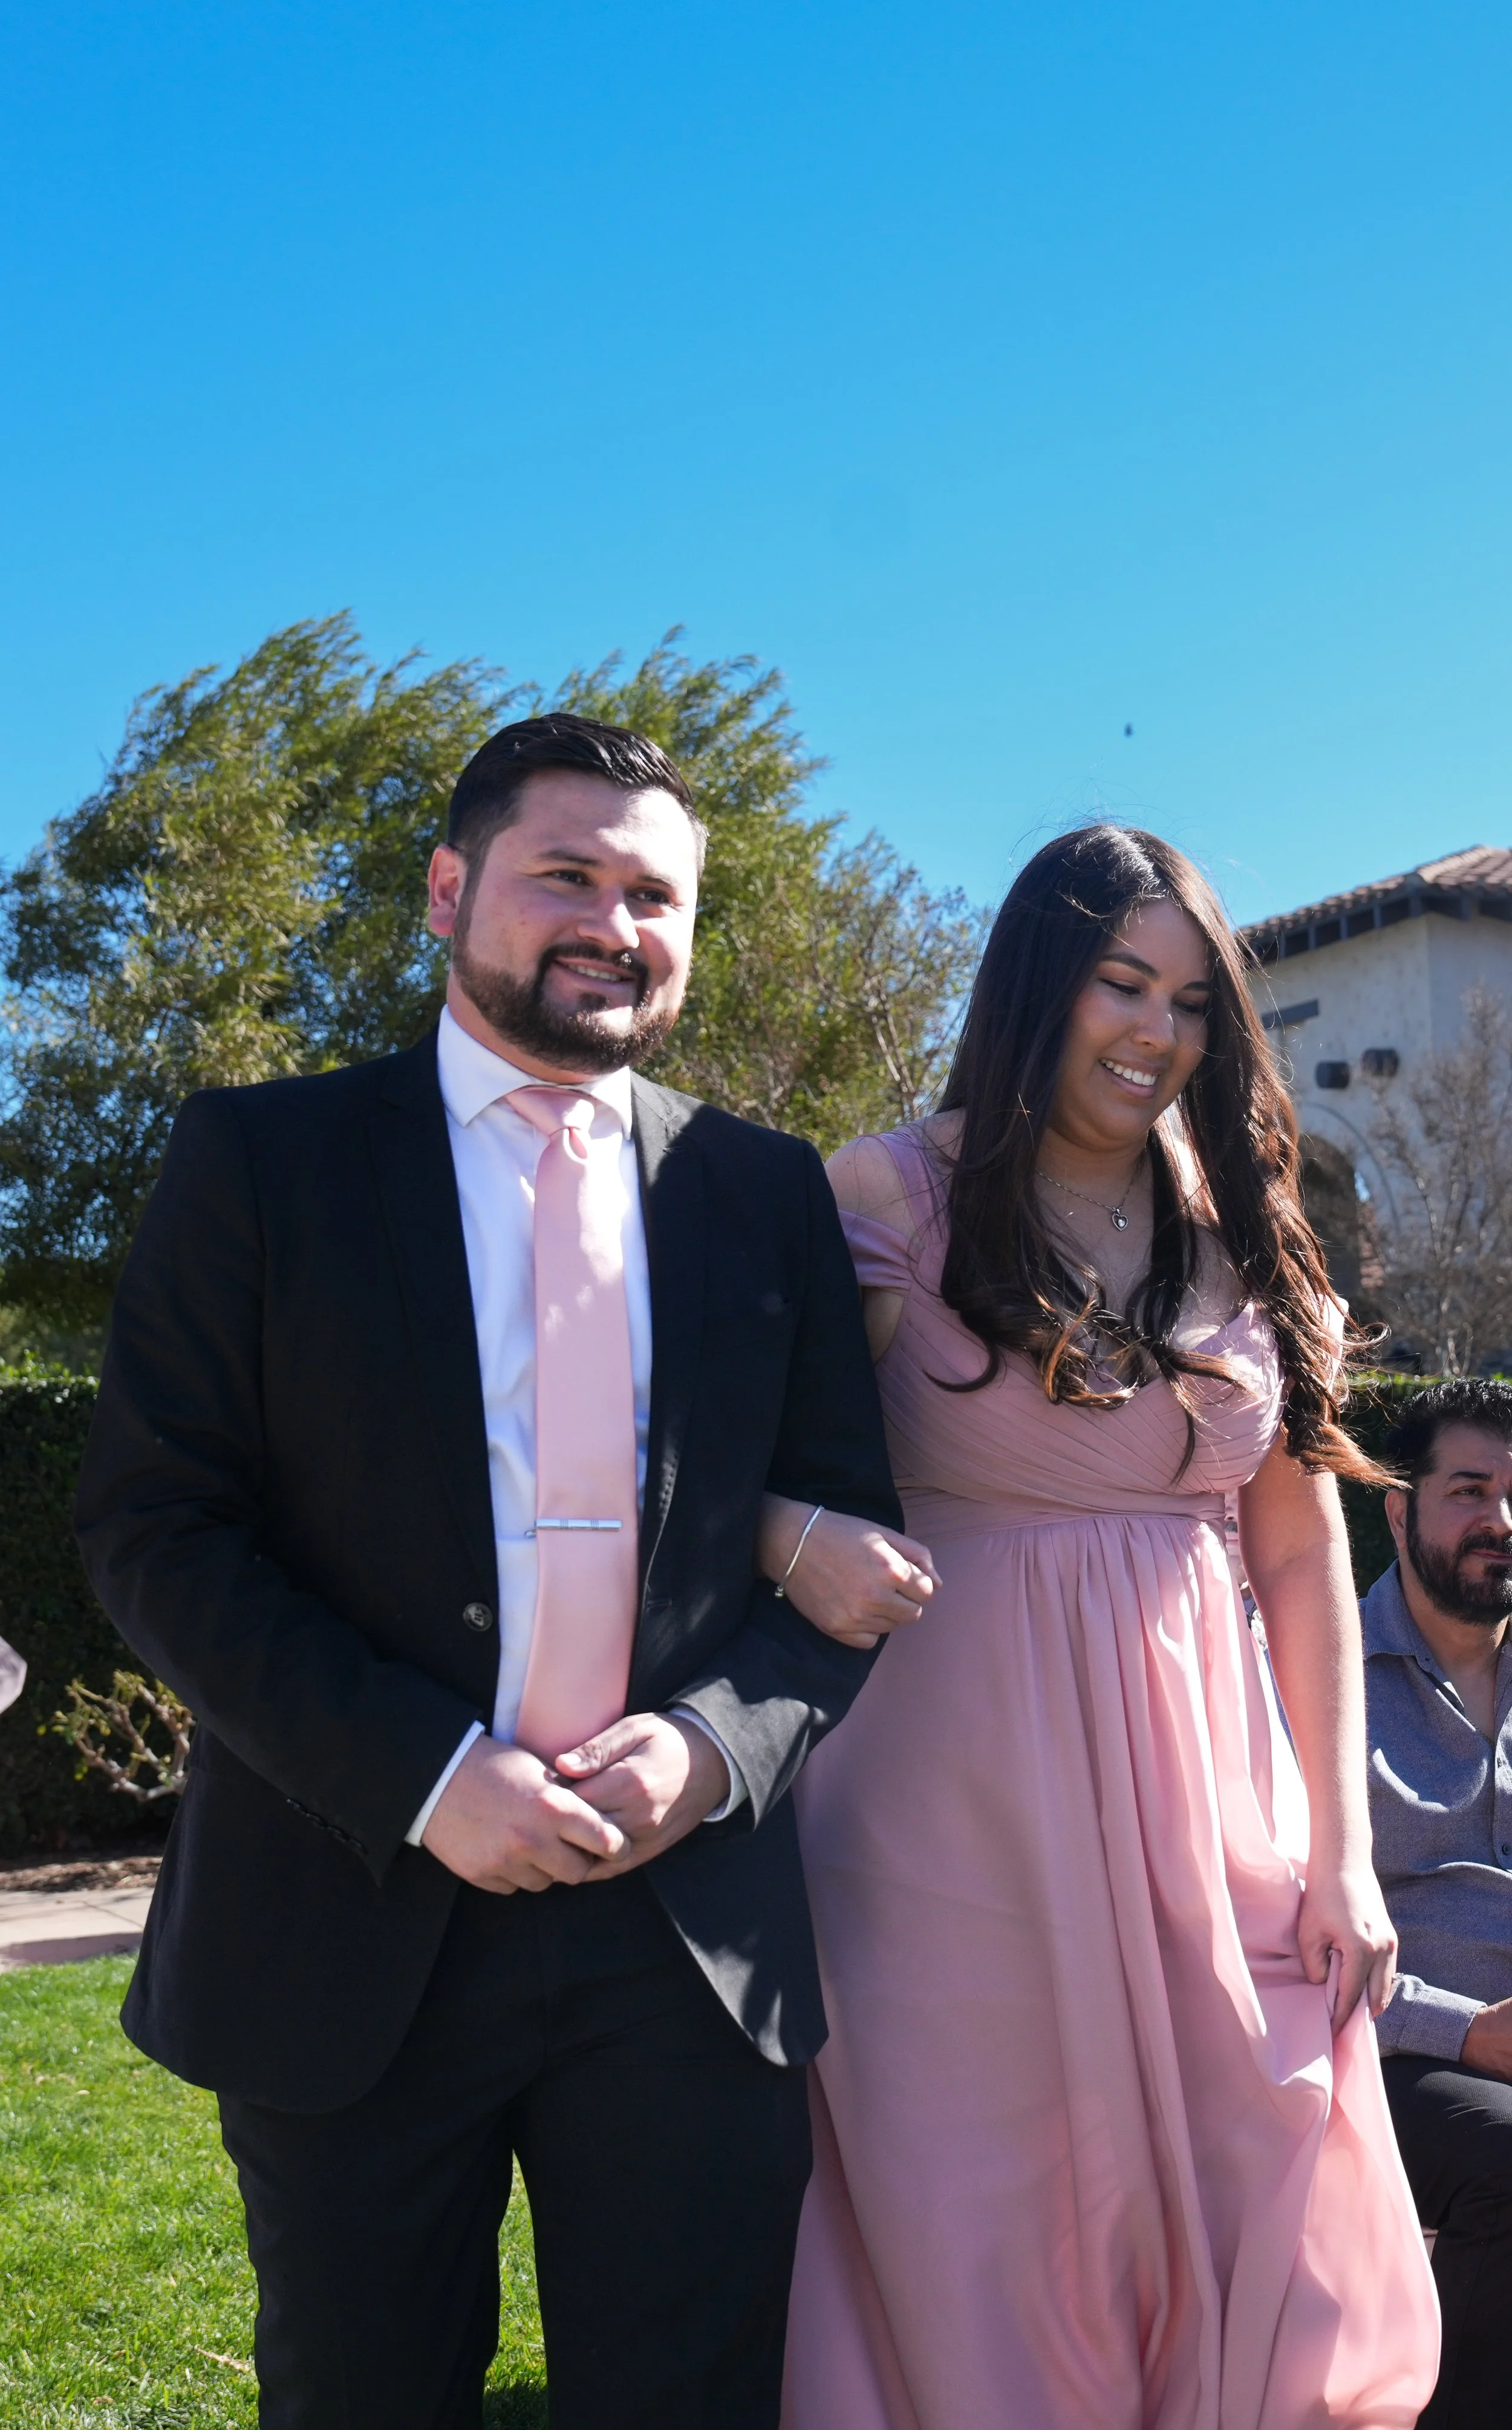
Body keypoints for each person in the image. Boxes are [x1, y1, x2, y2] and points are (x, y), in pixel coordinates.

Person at [73, 711, 905, 2430]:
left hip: (683, 1948)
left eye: (657, 895)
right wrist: (428, 1776)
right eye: (567, 874)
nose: (615, 921)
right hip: (346, 1915)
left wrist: (713, 1750)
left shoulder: (759, 1195)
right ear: (447, 890)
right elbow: (153, 1528)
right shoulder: (260, 1162)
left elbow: (841, 1555)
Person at [769, 824, 1439, 2429]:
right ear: (1034, 988)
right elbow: (722, 1468)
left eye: (1192, 1000)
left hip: (1209, 1789)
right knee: (994, 2214)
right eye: (1118, 983)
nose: (1155, 1029)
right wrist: (789, 1537)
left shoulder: (1242, 1233)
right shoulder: (888, 1193)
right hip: (946, 1800)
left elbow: (1294, 1558)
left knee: (1277, 2161)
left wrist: (1340, 1849)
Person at [1363, 1379, 1512, 2430]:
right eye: (1469, 1489)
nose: (1500, 1519)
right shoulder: (1311, 1676)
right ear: (1397, 1507)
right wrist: (1468, 2031)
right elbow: (1275, 1933)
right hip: (1385, 2053)